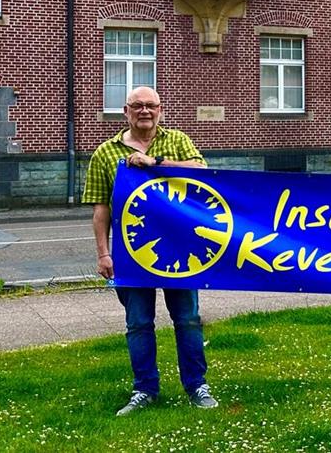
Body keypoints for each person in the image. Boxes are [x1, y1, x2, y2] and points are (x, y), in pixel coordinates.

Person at [83, 86, 219, 416]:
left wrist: (155, 162)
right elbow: (101, 207)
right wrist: (103, 253)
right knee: (139, 322)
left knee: (187, 319)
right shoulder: (105, 152)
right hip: (133, 253)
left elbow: (203, 172)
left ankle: (197, 385)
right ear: (125, 112)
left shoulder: (177, 141)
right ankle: (145, 388)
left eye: (151, 106)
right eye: (137, 106)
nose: (145, 111)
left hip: (182, 250)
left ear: (160, 110)